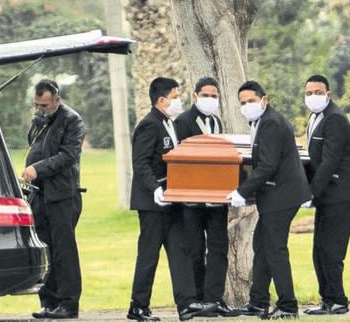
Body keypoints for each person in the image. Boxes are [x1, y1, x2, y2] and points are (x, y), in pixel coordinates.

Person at [127, 77, 216, 321]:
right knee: (149, 255)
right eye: (175, 96)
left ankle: (186, 303)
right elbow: (141, 162)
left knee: (181, 252)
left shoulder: (168, 123)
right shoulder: (149, 125)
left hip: (172, 201)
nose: (179, 101)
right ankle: (138, 306)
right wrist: (155, 188)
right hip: (152, 204)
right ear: (162, 100)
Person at [228, 81, 311, 319]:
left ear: (264, 100)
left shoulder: (271, 123)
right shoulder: (263, 122)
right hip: (277, 195)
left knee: (274, 249)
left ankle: (287, 306)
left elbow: (267, 166)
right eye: (243, 103)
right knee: (261, 246)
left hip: (282, 195)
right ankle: (258, 302)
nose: (246, 106)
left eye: (251, 101)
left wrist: (242, 192)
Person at [174, 77, 240, 317]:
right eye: (206, 95)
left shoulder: (217, 121)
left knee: (219, 248)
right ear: (195, 96)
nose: (210, 100)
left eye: (214, 96)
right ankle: (198, 299)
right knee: (195, 249)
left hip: (216, 200)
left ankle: (215, 298)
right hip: (191, 200)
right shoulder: (182, 122)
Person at [302, 75, 350, 315]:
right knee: (319, 249)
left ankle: (338, 300)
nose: (312, 97)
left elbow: (329, 162)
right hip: (327, 194)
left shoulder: (335, 119)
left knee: (331, 249)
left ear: (328, 94)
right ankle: (327, 300)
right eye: (308, 93)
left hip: (343, 194)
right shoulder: (315, 117)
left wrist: (310, 193)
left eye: (318, 92)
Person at [22, 79, 85, 319]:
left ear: (57, 100)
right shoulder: (40, 119)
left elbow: (67, 156)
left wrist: (38, 168)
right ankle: (48, 301)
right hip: (40, 194)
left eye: (45, 105)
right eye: (37, 104)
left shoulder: (72, 120)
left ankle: (68, 303)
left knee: (64, 251)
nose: (40, 109)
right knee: (45, 250)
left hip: (63, 195)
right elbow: (34, 146)